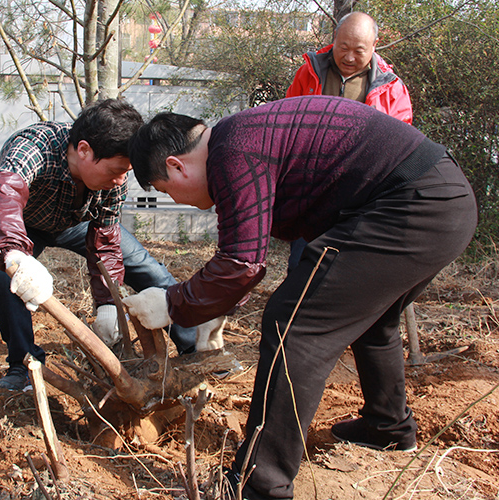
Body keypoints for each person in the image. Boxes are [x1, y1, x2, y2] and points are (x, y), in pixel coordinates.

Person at [122, 96, 477, 499]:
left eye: (165, 190)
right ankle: (387, 427)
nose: (175, 199)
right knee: (372, 320)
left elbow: (241, 262)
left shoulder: (233, 151)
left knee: (292, 324)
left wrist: (173, 303)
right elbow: (244, 251)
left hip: (412, 203)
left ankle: (260, 484)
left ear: (176, 165)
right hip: (440, 198)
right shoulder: (238, 139)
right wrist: (212, 303)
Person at [0, 98, 196, 391]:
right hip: (23, 225)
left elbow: (106, 240)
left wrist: (108, 303)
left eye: (125, 172)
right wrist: (14, 252)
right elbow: (3, 196)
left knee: (147, 269)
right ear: (84, 150)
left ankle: (194, 346)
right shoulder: (33, 147)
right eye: (115, 171)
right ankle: (24, 366)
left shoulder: (114, 180)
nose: (120, 180)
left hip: (77, 223)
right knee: (4, 278)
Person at [285, 11, 413, 271]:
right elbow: (286, 125)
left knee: (349, 269)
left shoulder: (391, 88)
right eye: (343, 48)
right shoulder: (308, 73)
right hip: (311, 191)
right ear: (334, 38)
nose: (349, 57)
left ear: (374, 45)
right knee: (301, 264)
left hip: (361, 195)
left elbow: (400, 148)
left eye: (359, 50)